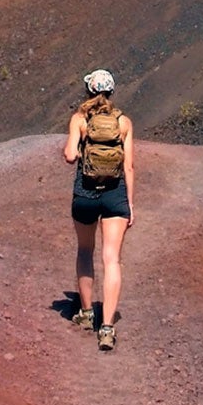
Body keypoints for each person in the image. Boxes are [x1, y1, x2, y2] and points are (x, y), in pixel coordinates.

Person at [62, 68, 135, 351]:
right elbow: (128, 166)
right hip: (115, 195)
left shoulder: (80, 120)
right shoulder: (123, 122)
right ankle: (106, 328)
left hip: (85, 194)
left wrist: (78, 148)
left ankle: (86, 313)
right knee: (111, 258)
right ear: (111, 92)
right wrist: (130, 202)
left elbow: (70, 156)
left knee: (85, 251)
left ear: (89, 92)